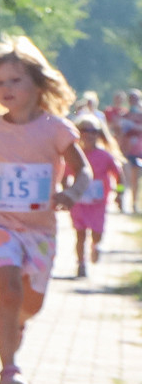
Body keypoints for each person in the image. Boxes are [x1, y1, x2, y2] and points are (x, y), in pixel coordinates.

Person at [0, 35, 91, 384]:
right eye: (0, 83)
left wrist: (72, 193)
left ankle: (16, 325)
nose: (6, 89)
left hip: (40, 228)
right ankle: (8, 369)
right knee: (9, 289)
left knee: (30, 303)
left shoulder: (56, 128)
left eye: (15, 80)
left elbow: (84, 170)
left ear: (37, 82)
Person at [69, 115, 124, 278]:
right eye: (85, 130)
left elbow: (119, 175)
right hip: (79, 200)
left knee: (97, 233)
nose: (89, 134)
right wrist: (66, 190)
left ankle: (96, 246)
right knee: (80, 234)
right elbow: (64, 174)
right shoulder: (74, 154)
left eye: (94, 131)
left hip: (98, 202)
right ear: (78, 133)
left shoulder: (105, 155)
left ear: (99, 134)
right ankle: (81, 264)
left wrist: (120, 193)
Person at [118, 89, 142, 213]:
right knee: (122, 178)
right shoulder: (124, 115)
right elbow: (118, 131)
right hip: (125, 151)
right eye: (131, 98)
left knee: (135, 179)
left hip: (138, 151)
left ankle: (134, 203)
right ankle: (120, 198)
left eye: (136, 99)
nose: (133, 101)